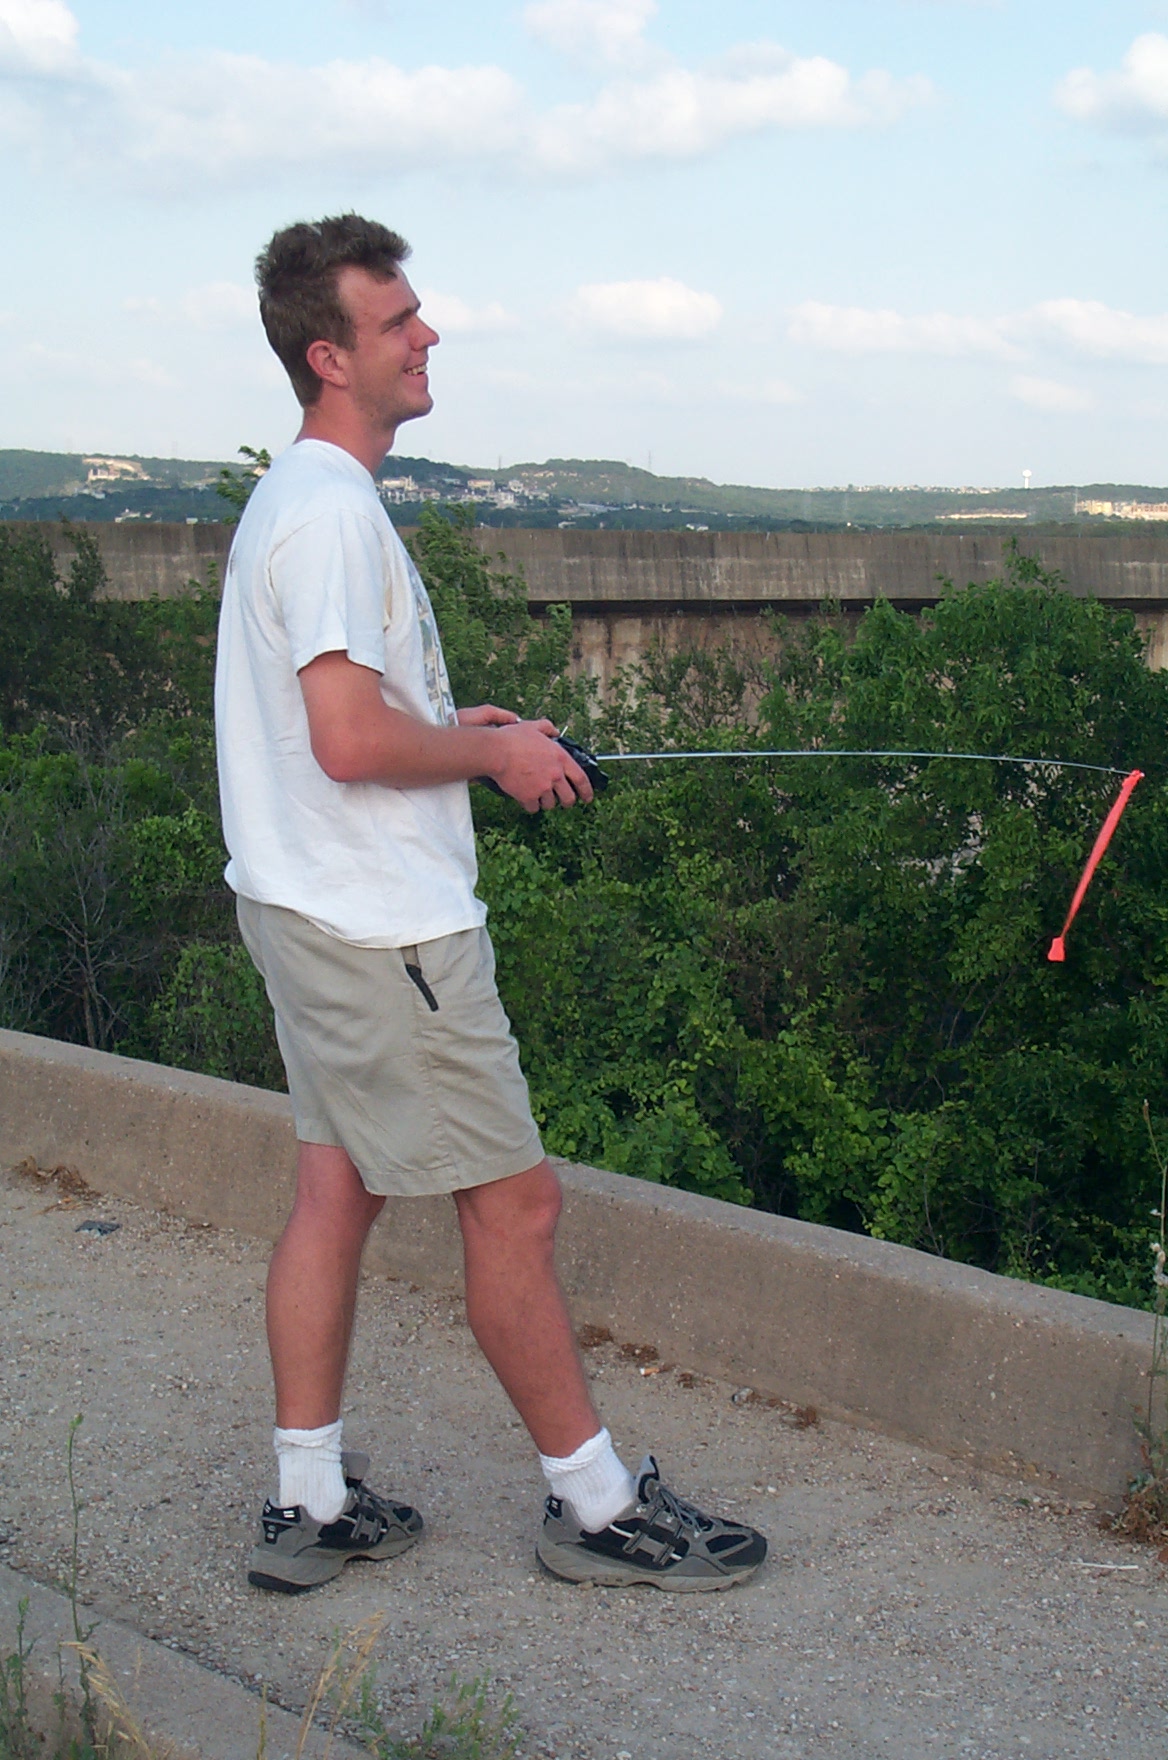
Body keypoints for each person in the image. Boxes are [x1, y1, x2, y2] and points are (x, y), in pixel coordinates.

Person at [214, 213, 767, 1596]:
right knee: (513, 1207)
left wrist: (457, 720)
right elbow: (346, 742)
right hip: (381, 932)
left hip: (303, 911)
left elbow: (346, 720)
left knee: (333, 1192)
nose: (428, 336)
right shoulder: (334, 513)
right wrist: (497, 758)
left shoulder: (295, 500)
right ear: (329, 354)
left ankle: (308, 1499)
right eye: (400, 322)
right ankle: (593, 1509)